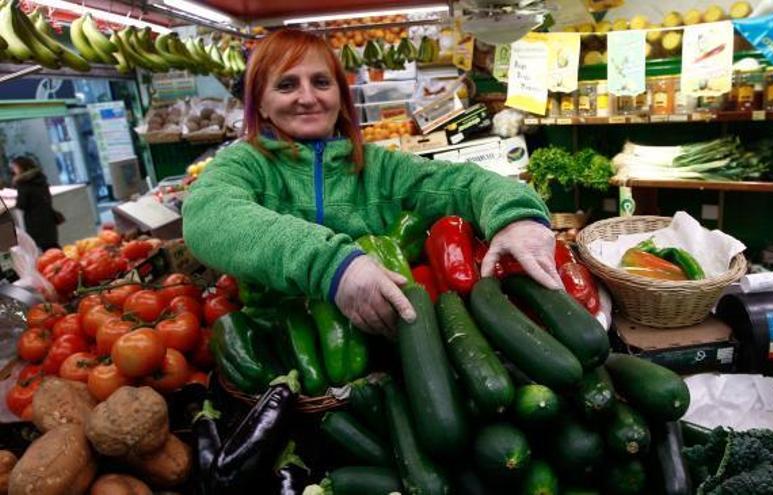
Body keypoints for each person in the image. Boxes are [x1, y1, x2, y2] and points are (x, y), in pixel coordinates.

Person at [182, 30, 562, 337]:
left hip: (387, 339)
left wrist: (517, 217)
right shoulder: (245, 163)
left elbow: (462, 183)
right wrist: (333, 266)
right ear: (261, 104)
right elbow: (207, 215)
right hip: (283, 347)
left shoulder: (380, 166)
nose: (308, 97)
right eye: (286, 85)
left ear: (340, 97)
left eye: (320, 82)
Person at [10, 156, 60, 252]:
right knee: (52, 247)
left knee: (44, 250)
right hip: (48, 218)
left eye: (15, 167)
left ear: (21, 168)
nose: (13, 170)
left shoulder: (23, 183)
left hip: (35, 223)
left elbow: (21, 204)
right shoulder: (40, 178)